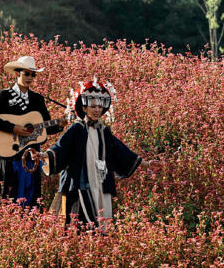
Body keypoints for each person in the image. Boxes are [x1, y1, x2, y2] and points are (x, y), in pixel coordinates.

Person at [29, 78, 144, 232]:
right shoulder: (76, 129)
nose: (97, 110)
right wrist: (44, 156)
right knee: (79, 224)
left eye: (99, 106)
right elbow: (60, 148)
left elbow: (122, 152)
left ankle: (99, 247)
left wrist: (146, 164)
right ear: (84, 108)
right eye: (93, 106)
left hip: (101, 183)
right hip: (80, 183)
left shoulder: (104, 131)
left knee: (101, 221)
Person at [0, 55, 60, 207]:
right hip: (10, 152)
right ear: (17, 73)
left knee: (32, 197)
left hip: (31, 153)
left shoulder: (37, 99)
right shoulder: (3, 96)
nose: (30, 77)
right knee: (9, 194)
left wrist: (60, 124)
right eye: (26, 73)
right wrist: (13, 128)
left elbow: (45, 127)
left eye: (32, 74)